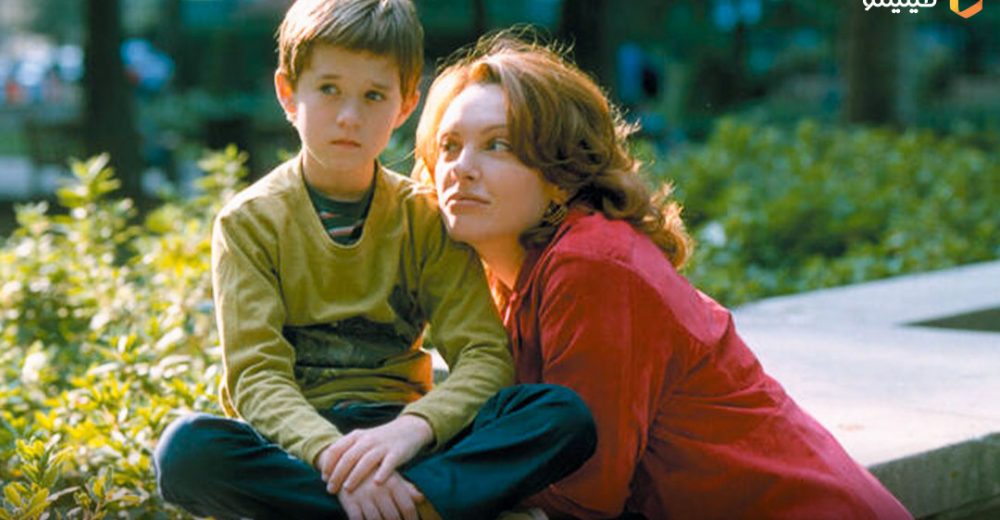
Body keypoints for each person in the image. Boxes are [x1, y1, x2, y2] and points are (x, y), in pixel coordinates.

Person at [413, 31, 914, 520]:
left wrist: (414, 486)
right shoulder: (515, 278)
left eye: (498, 145)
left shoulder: (590, 264)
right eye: (449, 146)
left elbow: (584, 490)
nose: (461, 168)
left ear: (561, 175)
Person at [153, 3, 596, 519]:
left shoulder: (424, 217)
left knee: (561, 415)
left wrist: (410, 431)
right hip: (299, 444)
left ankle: (382, 504)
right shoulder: (249, 223)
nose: (349, 116)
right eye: (329, 89)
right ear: (287, 92)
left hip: (405, 436)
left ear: (405, 104)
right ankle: (415, 505)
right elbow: (257, 376)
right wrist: (332, 457)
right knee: (186, 450)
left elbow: (483, 355)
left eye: (373, 96)